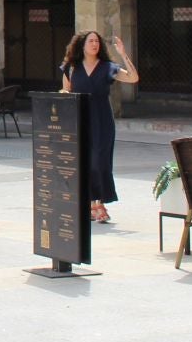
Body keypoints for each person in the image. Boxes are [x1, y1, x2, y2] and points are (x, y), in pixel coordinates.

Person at [59, 30, 141, 224]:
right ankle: (88, 204)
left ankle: (99, 202)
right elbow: (66, 90)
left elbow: (132, 78)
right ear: (82, 45)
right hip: (80, 119)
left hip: (102, 119)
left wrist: (123, 53)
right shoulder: (71, 67)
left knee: (100, 161)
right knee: (84, 162)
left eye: (97, 41)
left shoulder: (107, 67)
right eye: (91, 41)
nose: (95, 44)